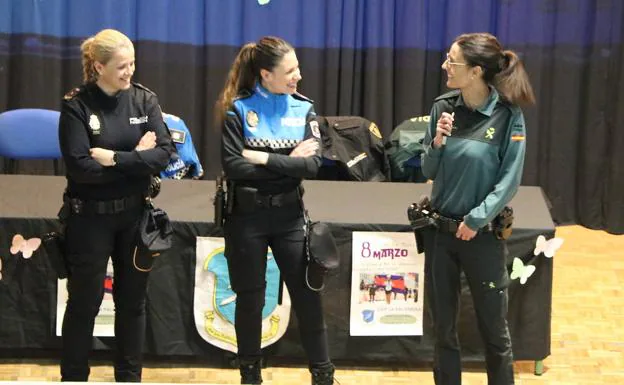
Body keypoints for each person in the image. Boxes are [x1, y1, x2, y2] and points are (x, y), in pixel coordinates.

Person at [215, 36, 335, 385]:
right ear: (266, 74)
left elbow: (312, 166)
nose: (298, 75)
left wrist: (264, 158)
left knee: (308, 299)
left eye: (297, 68)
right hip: (246, 218)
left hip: (289, 218)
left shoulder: (303, 108)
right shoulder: (238, 109)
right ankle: (250, 374)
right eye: (289, 71)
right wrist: (287, 162)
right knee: (250, 300)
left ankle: (323, 374)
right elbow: (234, 166)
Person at [58, 29, 174, 382]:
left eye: (132, 64)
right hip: (89, 220)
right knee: (84, 304)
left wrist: (116, 159)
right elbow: (81, 168)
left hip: (134, 217)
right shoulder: (77, 105)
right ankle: (74, 376)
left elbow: (165, 154)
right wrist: (136, 159)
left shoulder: (144, 100)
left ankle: (128, 377)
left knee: (132, 304)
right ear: (98, 66)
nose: (129, 72)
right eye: (122, 66)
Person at [421, 32, 535, 385]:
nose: (444, 66)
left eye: (451, 61)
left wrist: (476, 218)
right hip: (441, 235)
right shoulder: (443, 107)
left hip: (481, 237)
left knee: (494, 332)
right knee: (443, 330)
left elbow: (509, 180)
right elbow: (428, 171)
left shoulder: (507, 116)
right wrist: (438, 143)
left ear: (474, 72)